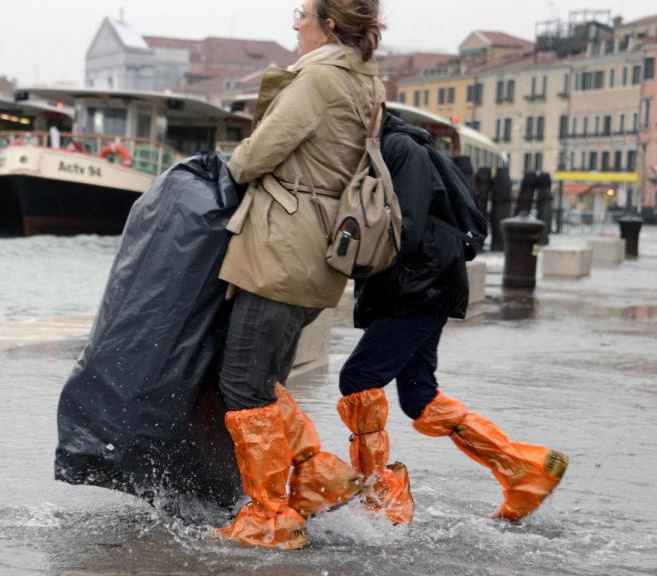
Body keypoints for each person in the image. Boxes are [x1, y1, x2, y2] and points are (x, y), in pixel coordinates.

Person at [337, 111, 569, 524]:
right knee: (419, 396)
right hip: (424, 280)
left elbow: (404, 227)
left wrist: (347, 261)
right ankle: (525, 469)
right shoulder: (394, 146)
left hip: (418, 283)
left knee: (358, 379)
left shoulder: (400, 148)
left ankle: (381, 499)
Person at [215, 0, 387, 550]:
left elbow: (255, 155)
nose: (295, 23)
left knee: (242, 382)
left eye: (303, 13)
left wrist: (229, 163)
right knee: (263, 379)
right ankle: (316, 477)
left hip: (281, 249)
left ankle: (269, 513)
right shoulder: (367, 84)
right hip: (318, 251)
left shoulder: (318, 82)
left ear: (329, 23)